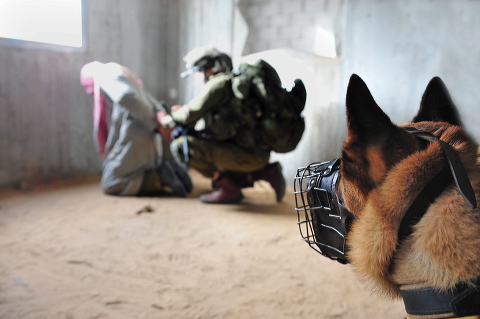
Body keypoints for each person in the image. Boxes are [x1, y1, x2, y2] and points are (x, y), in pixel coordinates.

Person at [157, 46, 306, 204]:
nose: (201, 77)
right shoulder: (233, 84)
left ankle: (229, 190)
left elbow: (189, 113)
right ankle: (266, 172)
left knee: (181, 147)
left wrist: (164, 119)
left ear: (211, 68)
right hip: (255, 155)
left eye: (201, 71)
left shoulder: (219, 83)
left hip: (246, 155)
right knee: (214, 165)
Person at [80, 61, 192, 197]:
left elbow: (124, 96)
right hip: (144, 137)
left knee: (111, 183)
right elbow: (149, 101)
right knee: (117, 169)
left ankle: (159, 176)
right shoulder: (123, 74)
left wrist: (158, 124)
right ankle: (169, 171)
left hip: (137, 136)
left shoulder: (105, 74)